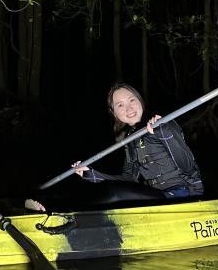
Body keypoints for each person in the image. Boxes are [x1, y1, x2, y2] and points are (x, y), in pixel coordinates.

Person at [72, 83, 204, 199]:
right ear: (114, 113)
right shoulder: (130, 139)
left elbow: (188, 166)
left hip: (185, 192)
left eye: (131, 100)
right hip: (157, 195)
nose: (129, 108)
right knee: (113, 193)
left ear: (139, 100)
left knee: (118, 194)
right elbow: (130, 178)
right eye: (120, 105)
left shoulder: (163, 123)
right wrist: (91, 174)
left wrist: (163, 132)